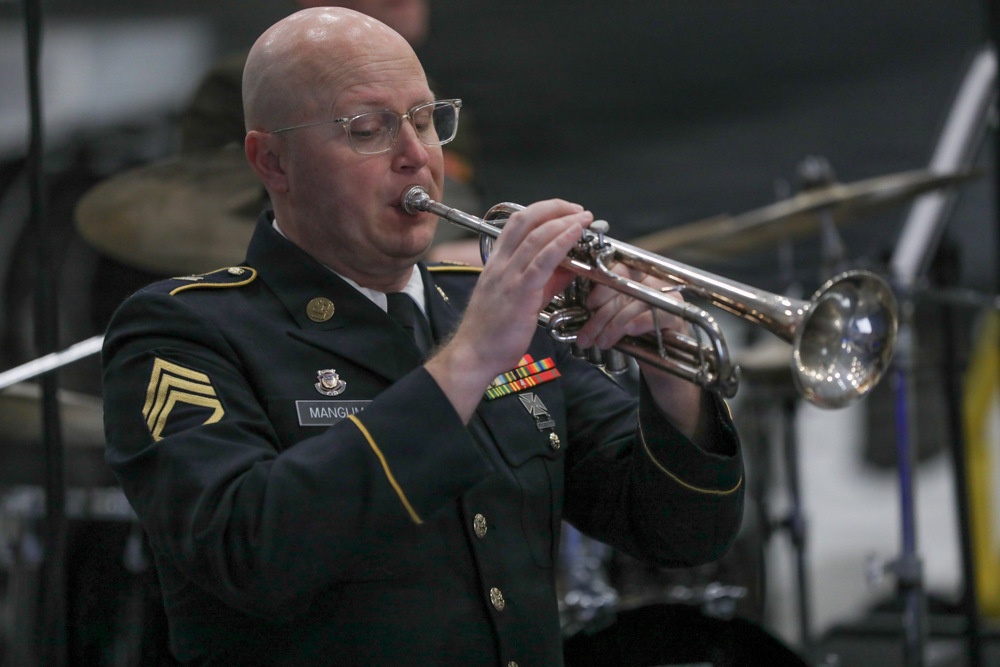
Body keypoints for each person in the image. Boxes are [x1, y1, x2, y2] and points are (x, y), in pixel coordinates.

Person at [101, 7, 744, 666]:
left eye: (426, 119)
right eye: (369, 128)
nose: (415, 155)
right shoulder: (182, 331)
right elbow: (251, 552)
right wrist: (471, 355)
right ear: (273, 161)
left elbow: (683, 532)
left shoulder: (482, 306)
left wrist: (670, 374)